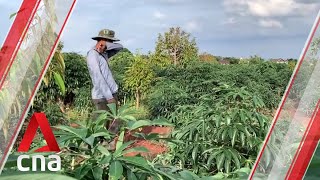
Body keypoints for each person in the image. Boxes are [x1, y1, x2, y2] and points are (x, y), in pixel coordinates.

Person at [86, 29, 123, 134]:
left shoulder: (104, 53)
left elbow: (120, 47)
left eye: (110, 43)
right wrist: (109, 96)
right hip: (102, 96)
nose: (110, 44)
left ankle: (110, 144)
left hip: (111, 93)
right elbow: (98, 78)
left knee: (114, 120)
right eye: (109, 41)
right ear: (100, 40)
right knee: (101, 123)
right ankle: (92, 145)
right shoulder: (92, 55)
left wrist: (105, 45)